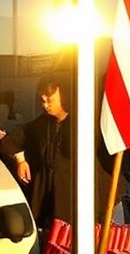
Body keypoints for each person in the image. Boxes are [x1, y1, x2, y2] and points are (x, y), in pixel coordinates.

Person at [0, 74, 122, 229]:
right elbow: (11, 141)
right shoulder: (42, 124)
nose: (45, 105)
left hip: (85, 202)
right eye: (42, 100)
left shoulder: (85, 122)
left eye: (49, 100)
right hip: (51, 207)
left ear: (64, 95)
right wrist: (20, 160)